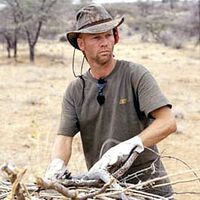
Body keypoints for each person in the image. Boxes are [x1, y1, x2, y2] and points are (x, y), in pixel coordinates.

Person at [45, 3, 177, 198]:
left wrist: (131, 145)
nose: (104, 42)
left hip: (150, 188)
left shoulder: (135, 75)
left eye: (108, 35)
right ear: (81, 44)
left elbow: (168, 122)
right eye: (96, 37)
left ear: (116, 37)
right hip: (104, 190)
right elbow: (64, 138)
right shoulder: (76, 90)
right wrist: (57, 164)